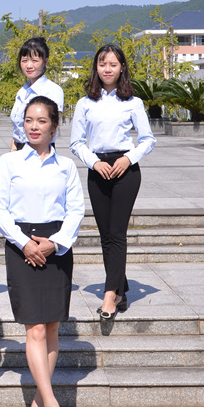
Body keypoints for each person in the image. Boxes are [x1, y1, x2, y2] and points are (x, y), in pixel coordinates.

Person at [0, 96, 84, 407]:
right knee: (35, 330)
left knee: (52, 326)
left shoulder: (66, 166)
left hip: (56, 247)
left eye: (41, 121)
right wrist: (25, 243)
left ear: (54, 127)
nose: (33, 126)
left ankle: (38, 404)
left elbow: (75, 210)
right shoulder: (9, 162)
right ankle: (52, 405)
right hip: (22, 246)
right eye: (28, 120)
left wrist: (54, 243)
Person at [69, 43, 155, 327]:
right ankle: (122, 289)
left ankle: (110, 295)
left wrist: (128, 159)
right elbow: (76, 142)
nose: (107, 69)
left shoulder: (133, 102)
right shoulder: (85, 103)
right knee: (105, 235)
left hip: (125, 170)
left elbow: (148, 139)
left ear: (122, 68)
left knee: (117, 234)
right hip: (98, 170)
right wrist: (94, 163)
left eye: (113, 64)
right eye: (102, 63)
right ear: (96, 67)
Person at [10, 36, 64, 151]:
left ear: (45, 61)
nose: (29, 66)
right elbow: (17, 129)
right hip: (20, 150)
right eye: (24, 60)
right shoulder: (22, 91)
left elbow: (51, 129)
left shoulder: (52, 90)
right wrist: (13, 151)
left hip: (41, 150)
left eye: (34, 61)